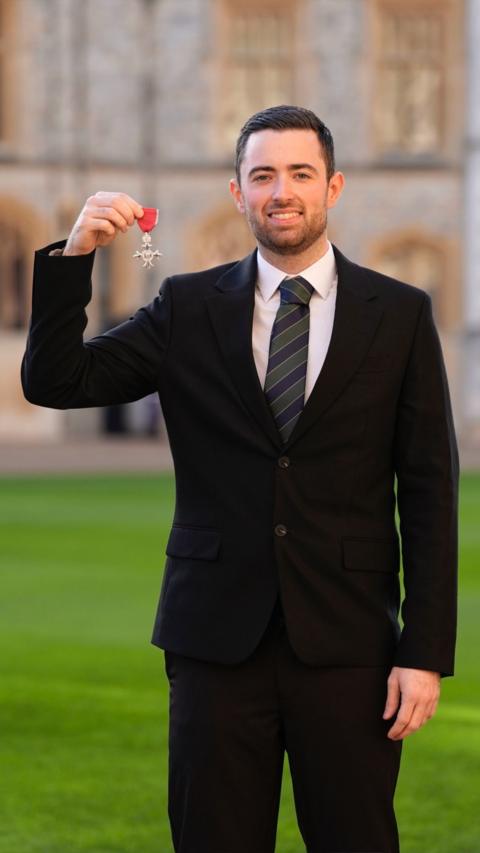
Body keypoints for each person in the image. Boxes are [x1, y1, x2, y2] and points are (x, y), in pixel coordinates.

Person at [22, 105, 458, 853]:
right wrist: (76, 255)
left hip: (349, 643)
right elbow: (57, 379)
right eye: (262, 175)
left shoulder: (402, 314)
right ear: (237, 193)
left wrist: (424, 650)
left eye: (299, 173)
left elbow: (427, 490)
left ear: (333, 186)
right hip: (214, 643)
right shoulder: (187, 307)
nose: (280, 191)